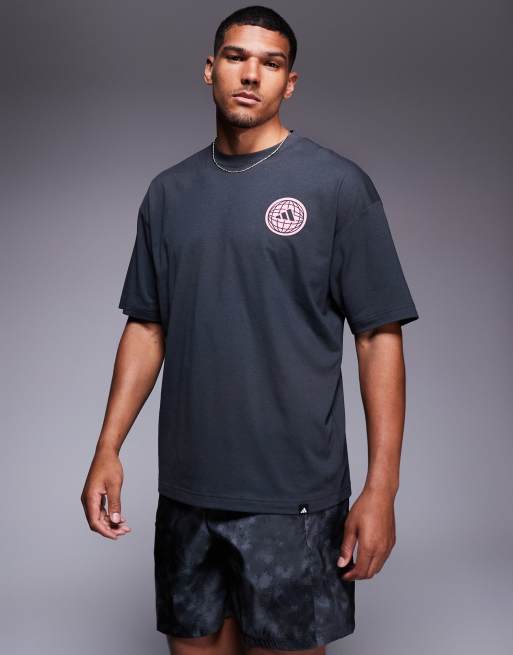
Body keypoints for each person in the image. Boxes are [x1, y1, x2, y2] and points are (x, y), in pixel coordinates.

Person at [80, 5, 419, 654]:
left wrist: (382, 488)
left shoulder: (337, 187)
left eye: (271, 63)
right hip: (188, 491)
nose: (251, 74)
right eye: (236, 57)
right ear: (210, 69)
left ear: (289, 82)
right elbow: (147, 325)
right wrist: (108, 446)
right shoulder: (168, 194)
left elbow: (378, 338)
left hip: (293, 498)